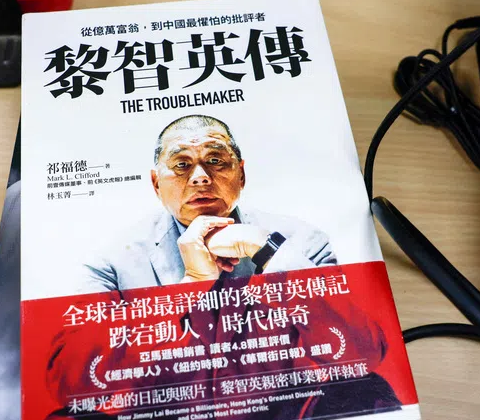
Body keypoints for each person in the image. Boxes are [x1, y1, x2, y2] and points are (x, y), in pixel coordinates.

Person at [75, 114, 335, 293]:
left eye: (215, 161)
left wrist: (264, 249)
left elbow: (359, 343)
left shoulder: (305, 242)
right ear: (156, 184)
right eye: (182, 165)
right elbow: (77, 368)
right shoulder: (113, 262)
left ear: (241, 175)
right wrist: (194, 282)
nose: (200, 178)